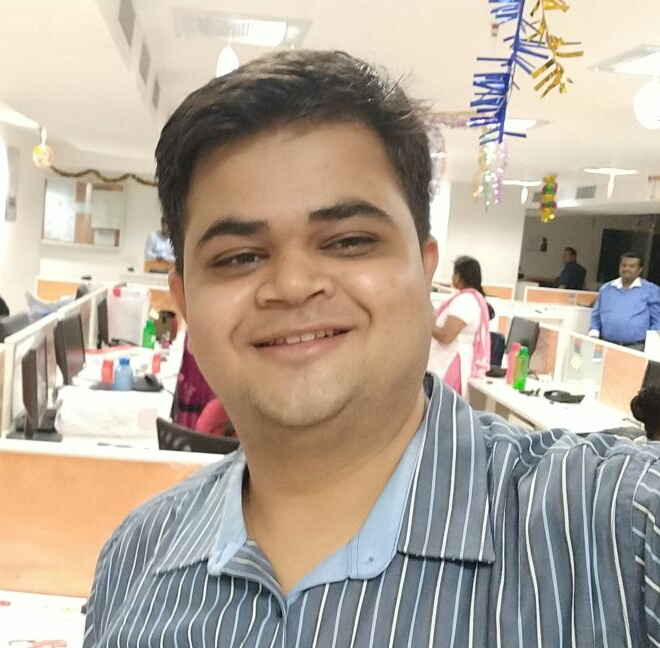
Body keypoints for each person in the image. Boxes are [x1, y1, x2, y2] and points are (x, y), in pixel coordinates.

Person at [83, 50, 660, 647]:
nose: (293, 284)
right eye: (239, 257)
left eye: (349, 241)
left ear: (425, 270)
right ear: (184, 302)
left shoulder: (620, 530)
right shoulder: (132, 564)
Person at [427, 255, 491, 394]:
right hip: (448, 363)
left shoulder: (465, 301)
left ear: (459, 276)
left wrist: (426, 325)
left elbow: (446, 336)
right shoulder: (468, 298)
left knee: (442, 403)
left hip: (449, 365)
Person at [589, 251, 660, 350]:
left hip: (637, 347)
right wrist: (593, 334)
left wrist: (652, 346)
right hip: (606, 345)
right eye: (624, 265)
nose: (626, 269)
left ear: (640, 270)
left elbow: (657, 320)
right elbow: (596, 315)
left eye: (631, 266)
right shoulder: (606, 289)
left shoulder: (651, 290)